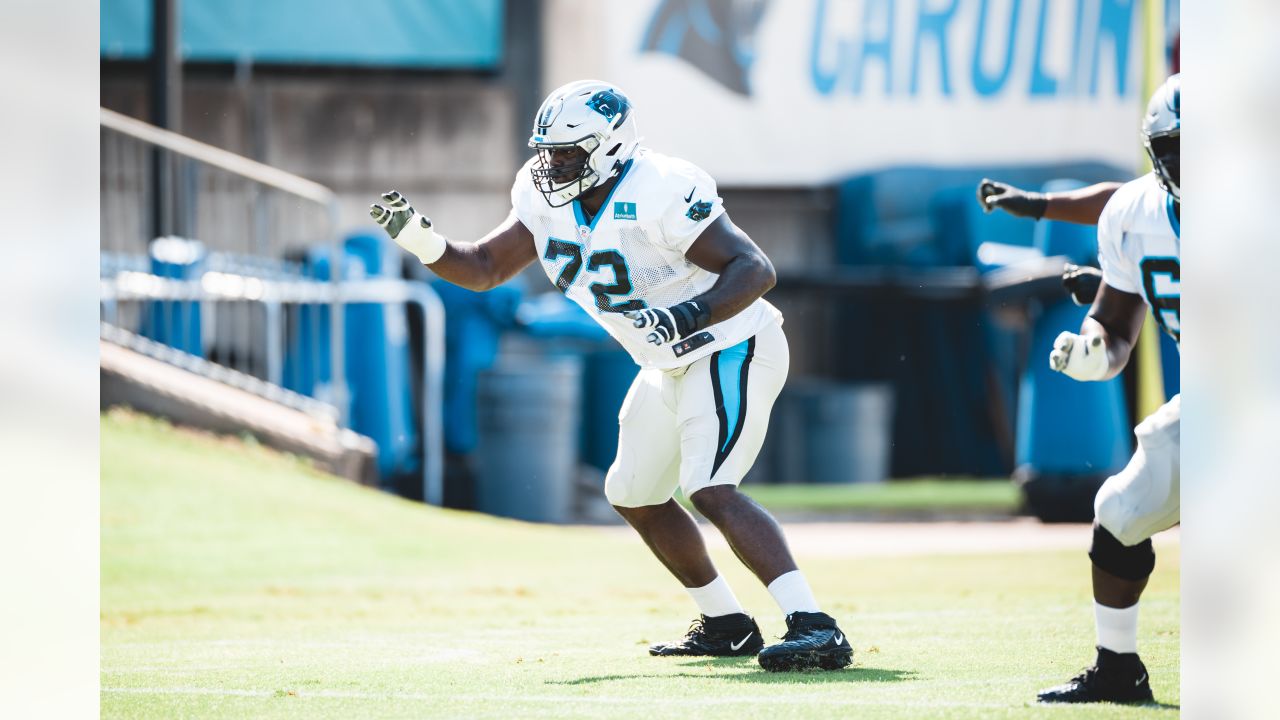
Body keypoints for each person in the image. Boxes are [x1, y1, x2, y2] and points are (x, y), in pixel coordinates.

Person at [370, 80, 852, 672]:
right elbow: (486, 267)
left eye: (569, 151)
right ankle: (727, 624)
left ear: (611, 145)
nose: (553, 163)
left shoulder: (662, 188)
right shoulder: (543, 195)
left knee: (709, 487)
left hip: (730, 344)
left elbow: (755, 268)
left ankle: (815, 626)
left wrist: (685, 314)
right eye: (547, 150)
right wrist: (422, 239)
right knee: (633, 494)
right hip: (663, 361)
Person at [984, 74, 1179, 704]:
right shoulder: (1135, 213)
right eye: (1179, 149)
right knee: (1120, 513)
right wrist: (1094, 349)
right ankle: (1118, 669)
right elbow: (1118, 325)